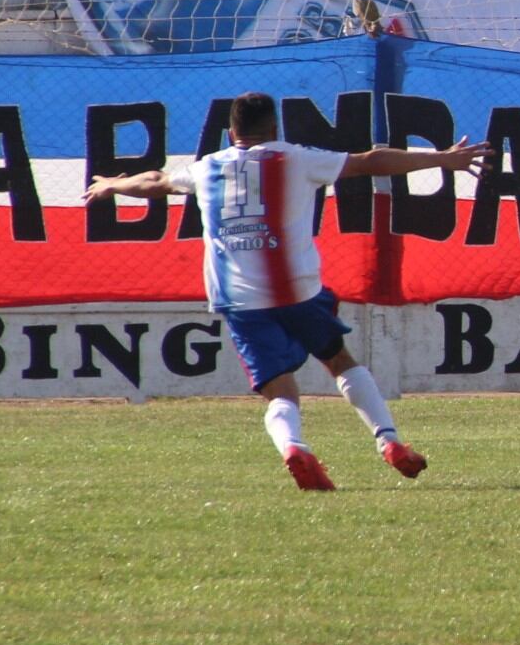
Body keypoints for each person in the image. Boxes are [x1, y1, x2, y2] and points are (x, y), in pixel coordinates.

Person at [84, 92, 490, 489]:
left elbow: (155, 180)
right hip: (299, 290)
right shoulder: (296, 158)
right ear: (274, 128)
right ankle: (389, 440)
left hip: (240, 298)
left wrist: (113, 186)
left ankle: (294, 446)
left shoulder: (207, 168)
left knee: (279, 389)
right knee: (340, 361)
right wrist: (441, 158)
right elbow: (370, 161)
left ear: (230, 132)